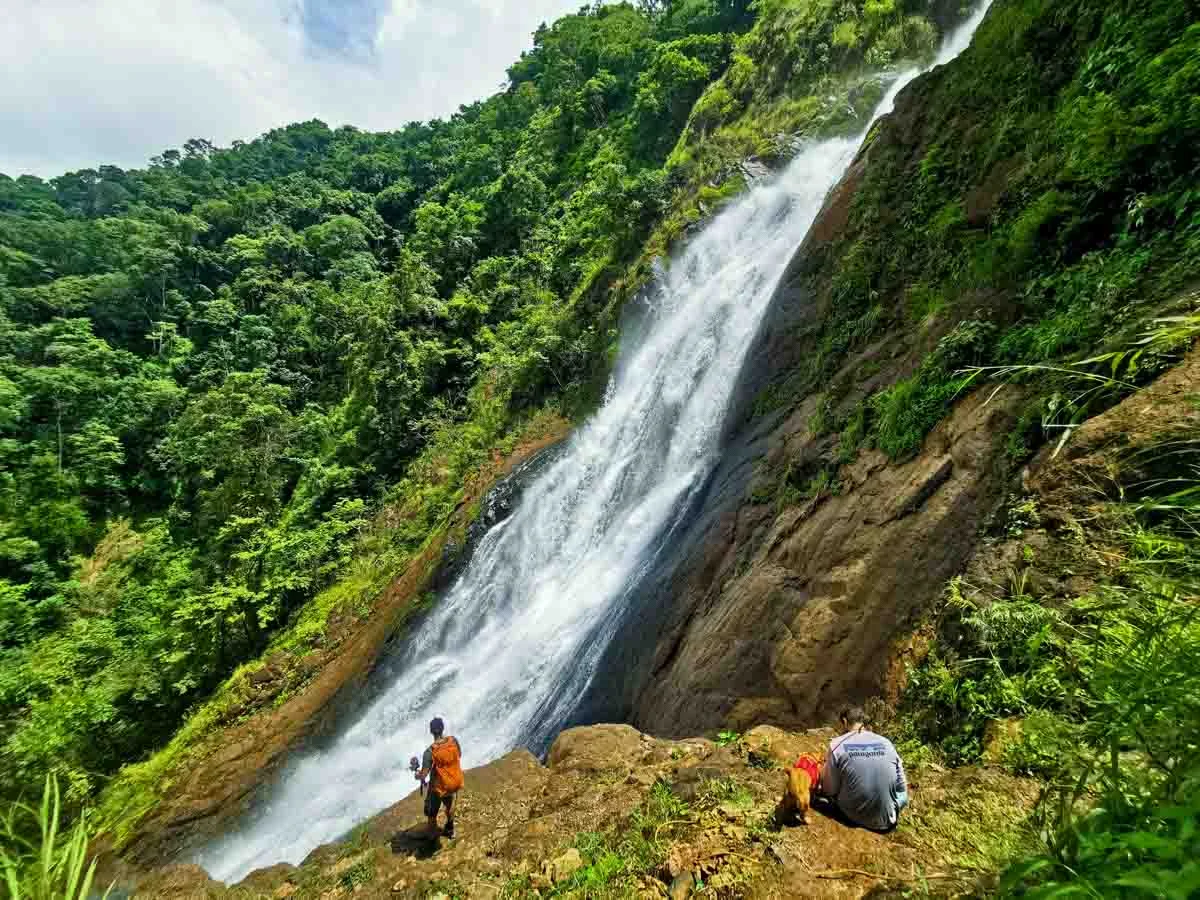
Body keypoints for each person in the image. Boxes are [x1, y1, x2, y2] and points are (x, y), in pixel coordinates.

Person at [819, 705, 908, 831]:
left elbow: (829, 790)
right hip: (887, 822)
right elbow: (902, 788)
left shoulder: (837, 744)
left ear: (844, 722)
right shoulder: (886, 742)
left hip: (851, 816)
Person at [416, 717, 464, 837]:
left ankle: (432, 836)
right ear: (442, 728)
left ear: (431, 731)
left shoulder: (430, 752)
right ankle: (450, 829)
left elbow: (424, 775)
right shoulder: (453, 741)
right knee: (450, 806)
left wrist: (417, 775)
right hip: (455, 781)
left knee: (431, 812)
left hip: (439, 787)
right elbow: (459, 754)